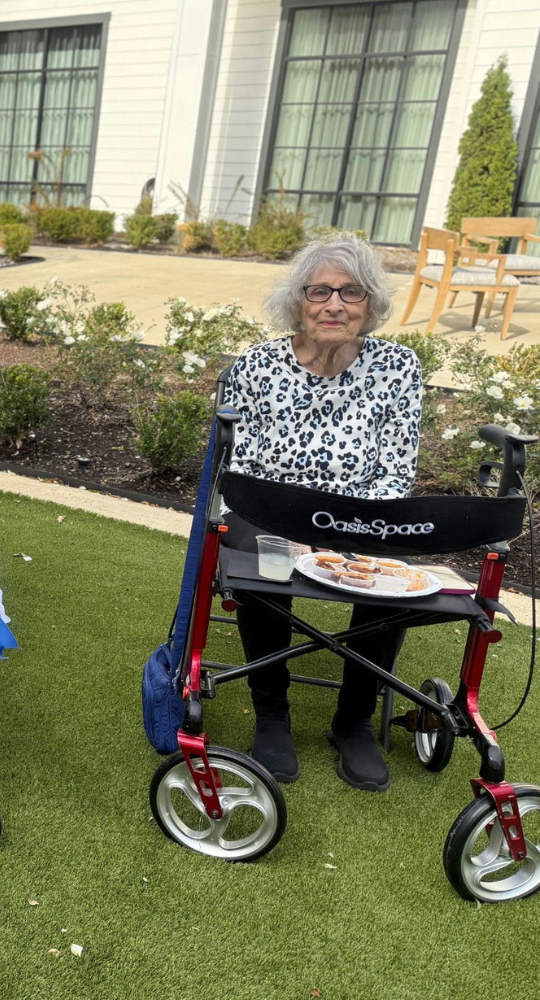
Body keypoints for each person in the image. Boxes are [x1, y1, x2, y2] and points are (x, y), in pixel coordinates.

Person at [220, 231, 422, 792]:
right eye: (320, 291)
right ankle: (272, 714)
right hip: (271, 507)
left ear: (370, 305)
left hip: (361, 512)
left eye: (351, 293)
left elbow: (394, 471)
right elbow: (246, 469)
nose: (334, 304)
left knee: (389, 562)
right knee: (262, 554)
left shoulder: (398, 368)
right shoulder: (258, 366)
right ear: (298, 302)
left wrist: (347, 529)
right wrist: (293, 532)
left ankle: (353, 721)